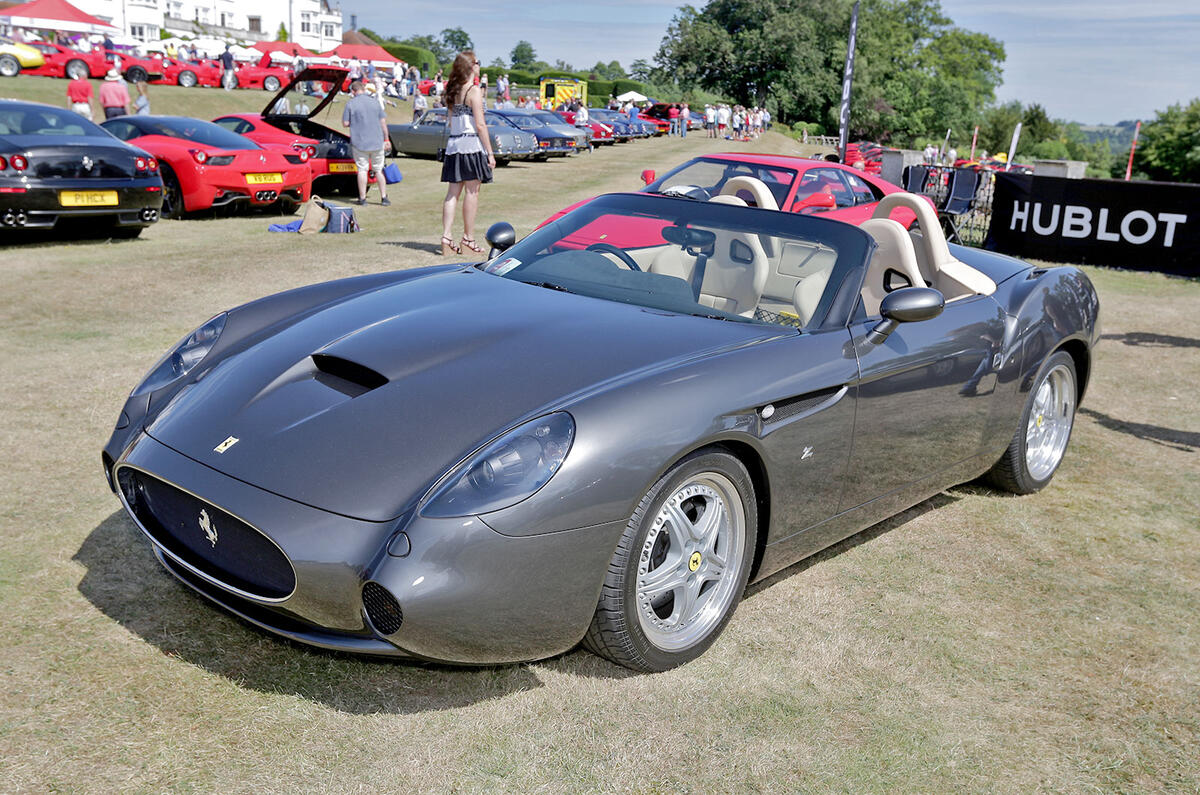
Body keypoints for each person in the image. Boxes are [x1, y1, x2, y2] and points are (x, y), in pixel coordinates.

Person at [439, 51, 494, 257]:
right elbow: (480, 125)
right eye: (478, 62)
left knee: (452, 193)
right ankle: (468, 239)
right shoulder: (474, 91)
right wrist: (490, 153)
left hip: (454, 145)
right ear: (472, 66)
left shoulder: (452, 91)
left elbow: (451, 121)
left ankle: (446, 237)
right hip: (470, 144)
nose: (480, 66)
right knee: (472, 192)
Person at [341, 80, 391, 206]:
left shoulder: (350, 104)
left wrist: (355, 122)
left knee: (362, 170)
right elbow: (383, 123)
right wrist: (386, 139)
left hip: (360, 142)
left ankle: (362, 198)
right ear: (363, 89)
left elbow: (345, 123)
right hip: (377, 141)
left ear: (353, 91)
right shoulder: (375, 102)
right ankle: (384, 197)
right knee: (378, 170)